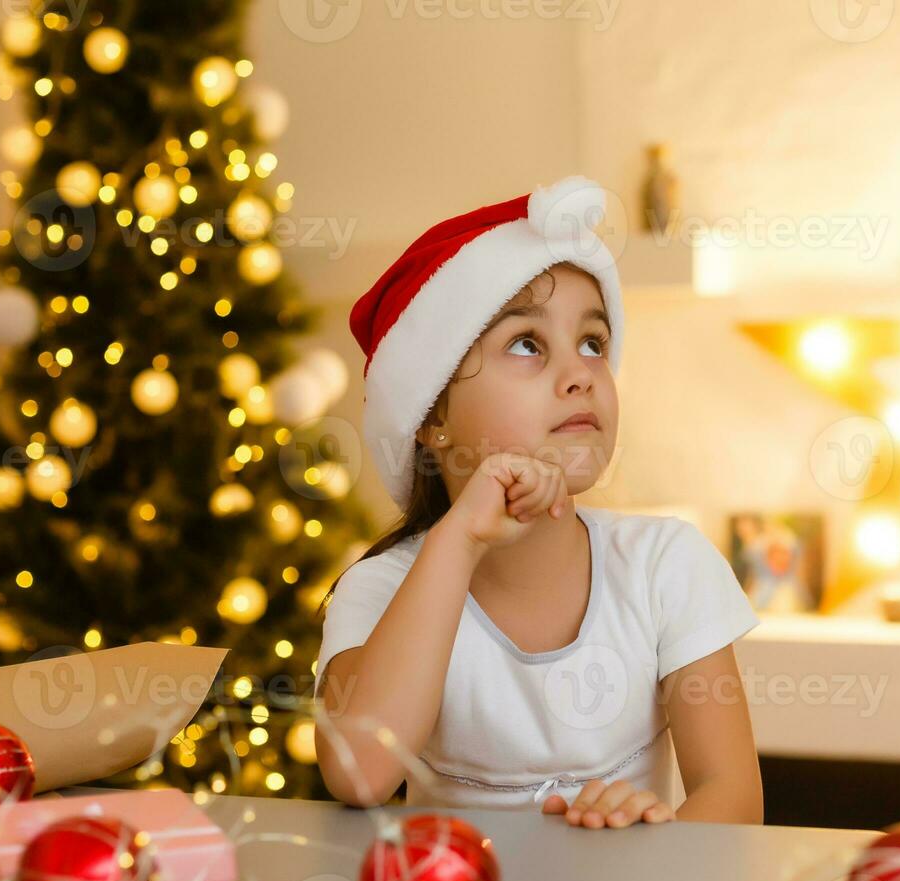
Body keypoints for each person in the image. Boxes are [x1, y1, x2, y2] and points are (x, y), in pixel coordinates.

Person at [313, 176, 764, 830]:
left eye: (593, 343)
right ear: (432, 412)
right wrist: (459, 539)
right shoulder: (379, 590)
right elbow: (359, 771)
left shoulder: (667, 564)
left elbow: (734, 797)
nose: (581, 372)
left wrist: (652, 842)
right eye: (526, 344)